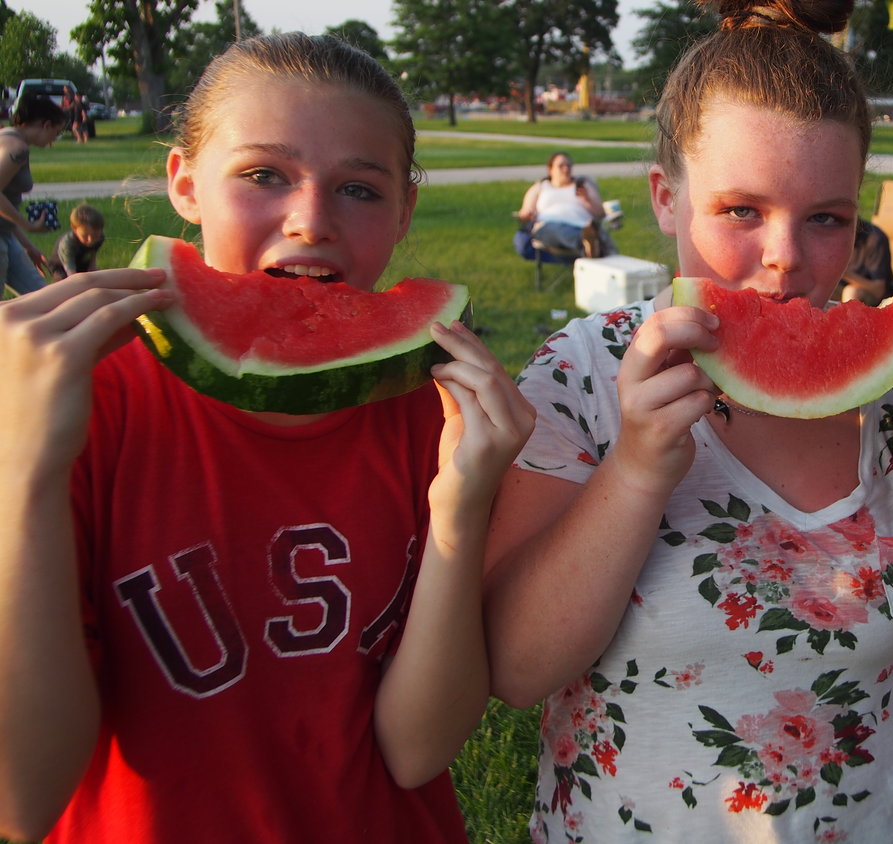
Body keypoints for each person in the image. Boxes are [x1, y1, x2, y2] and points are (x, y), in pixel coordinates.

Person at [482, 0, 893, 839]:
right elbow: (518, 668)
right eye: (741, 210)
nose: (785, 256)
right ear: (666, 199)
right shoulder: (581, 374)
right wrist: (633, 473)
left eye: (827, 219)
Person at [0, 33, 535, 843]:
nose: (311, 220)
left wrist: (460, 506)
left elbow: (418, 750)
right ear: (185, 184)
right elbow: (21, 797)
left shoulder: (443, 421)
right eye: (262, 175)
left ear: (404, 212)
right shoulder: (76, 407)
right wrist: (26, 471)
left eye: (359, 188)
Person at [0, 94, 66, 297]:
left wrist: (27, 246)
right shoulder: (16, 149)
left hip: (6, 235)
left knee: (43, 298)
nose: (53, 141)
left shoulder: (8, 138)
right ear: (46, 125)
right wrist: (28, 225)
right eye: (57, 132)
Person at [512, 151, 607, 259]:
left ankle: (589, 242)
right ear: (550, 169)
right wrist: (527, 215)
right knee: (559, 231)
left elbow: (600, 214)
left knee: (581, 230)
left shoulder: (582, 186)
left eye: (569, 165)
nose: (566, 169)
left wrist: (587, 199)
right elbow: (525, 213)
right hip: (548, 225)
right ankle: (588, 244)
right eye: (561, 166)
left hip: (581, 225)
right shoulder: (541, 187)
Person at [837, 217, 893, 305]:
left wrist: (842, 272)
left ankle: (846, 318)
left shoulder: (874, 239)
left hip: (871, 295)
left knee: (851, 292)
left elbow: (878, 291)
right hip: (839, 288)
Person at [47, 203, 106, 279]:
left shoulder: (99, 238)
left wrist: (93, 272)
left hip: (80, 262)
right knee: (66, 282)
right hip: (61, 267)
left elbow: (92, 256)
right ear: (74, 228)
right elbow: (71, 273)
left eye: (95, 236)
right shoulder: (68, 244)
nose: (90, 240)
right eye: (85, 235)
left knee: (94, 278)